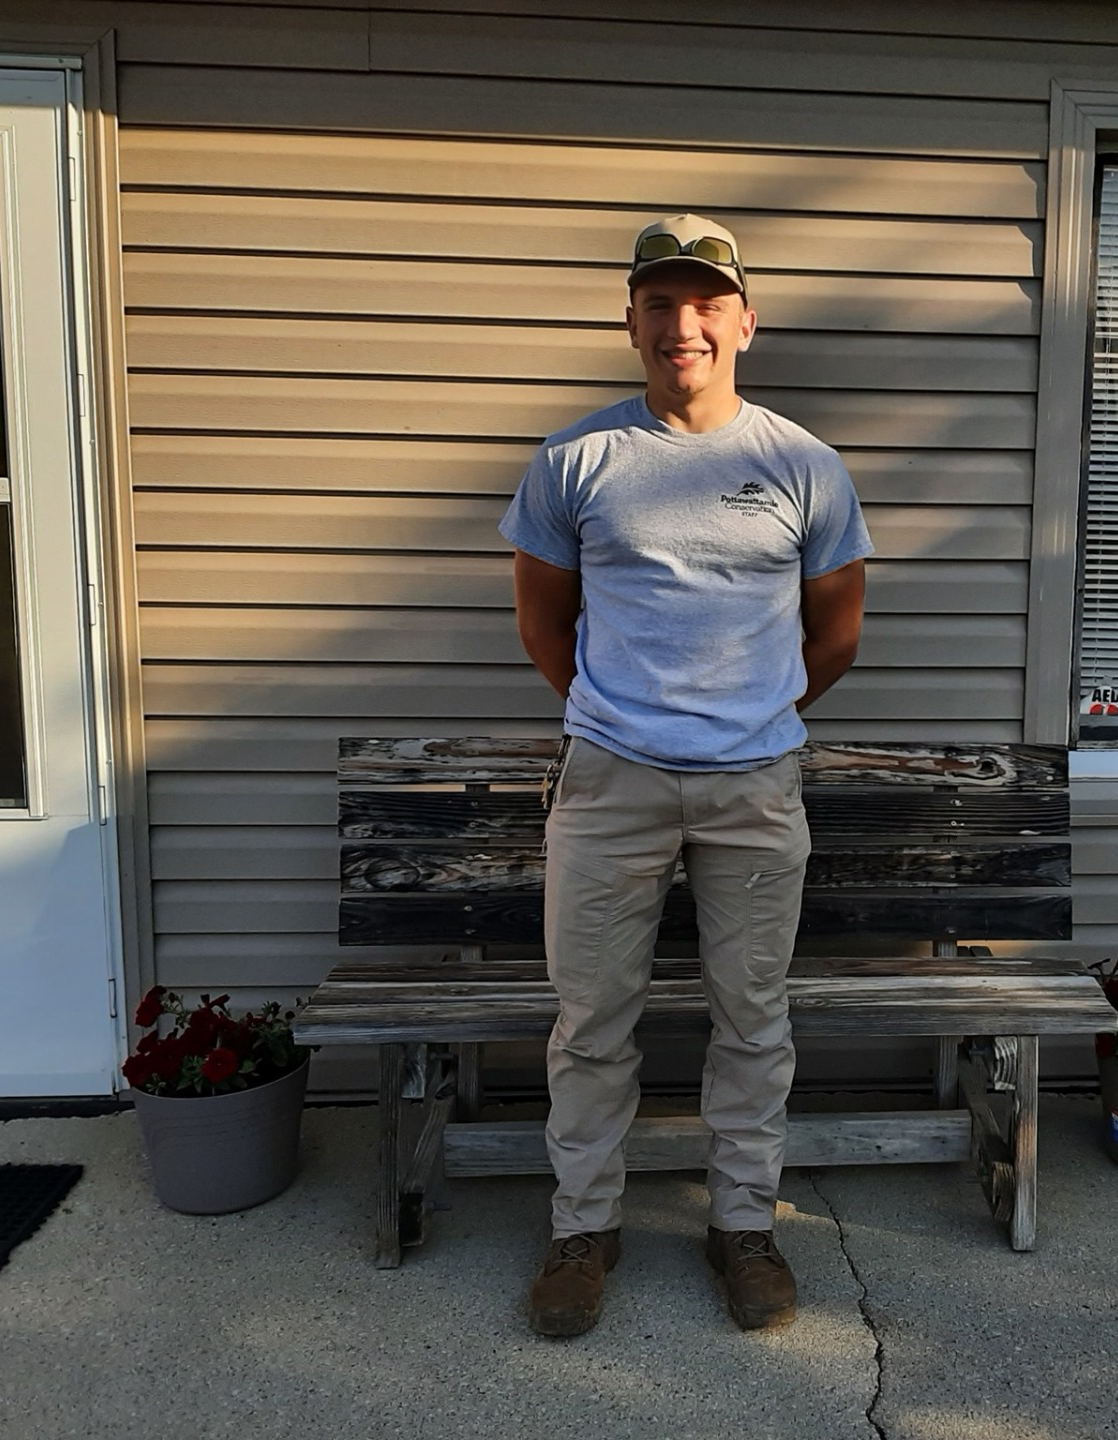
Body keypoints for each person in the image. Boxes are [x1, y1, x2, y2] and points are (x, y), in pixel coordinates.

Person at [498, 214, 872, 1338]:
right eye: (659, 304)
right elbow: (542, 622)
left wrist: (747, 715)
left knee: (752, 1018)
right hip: (611, 783)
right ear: (631, 324)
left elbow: (837, 634)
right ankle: (582, 1228)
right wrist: (629, 720)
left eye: (707, 303)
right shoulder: (576, 462)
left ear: (745, 321)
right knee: (590, 1020)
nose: (683, 325)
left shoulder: (803, 464)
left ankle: (744, 1225)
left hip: (754, 787)